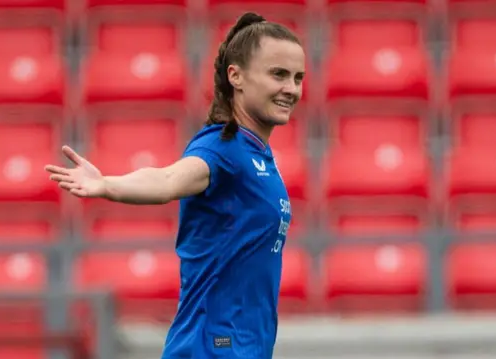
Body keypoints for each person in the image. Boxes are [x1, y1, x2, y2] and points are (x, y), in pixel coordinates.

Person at [45, 11, 305, 359]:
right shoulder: (222, 148)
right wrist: (108, 184)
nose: (291, 88)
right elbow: (169, 179)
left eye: (298, 77)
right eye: (278, 74)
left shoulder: (257, 154)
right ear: (236, 76)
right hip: (212, 348)